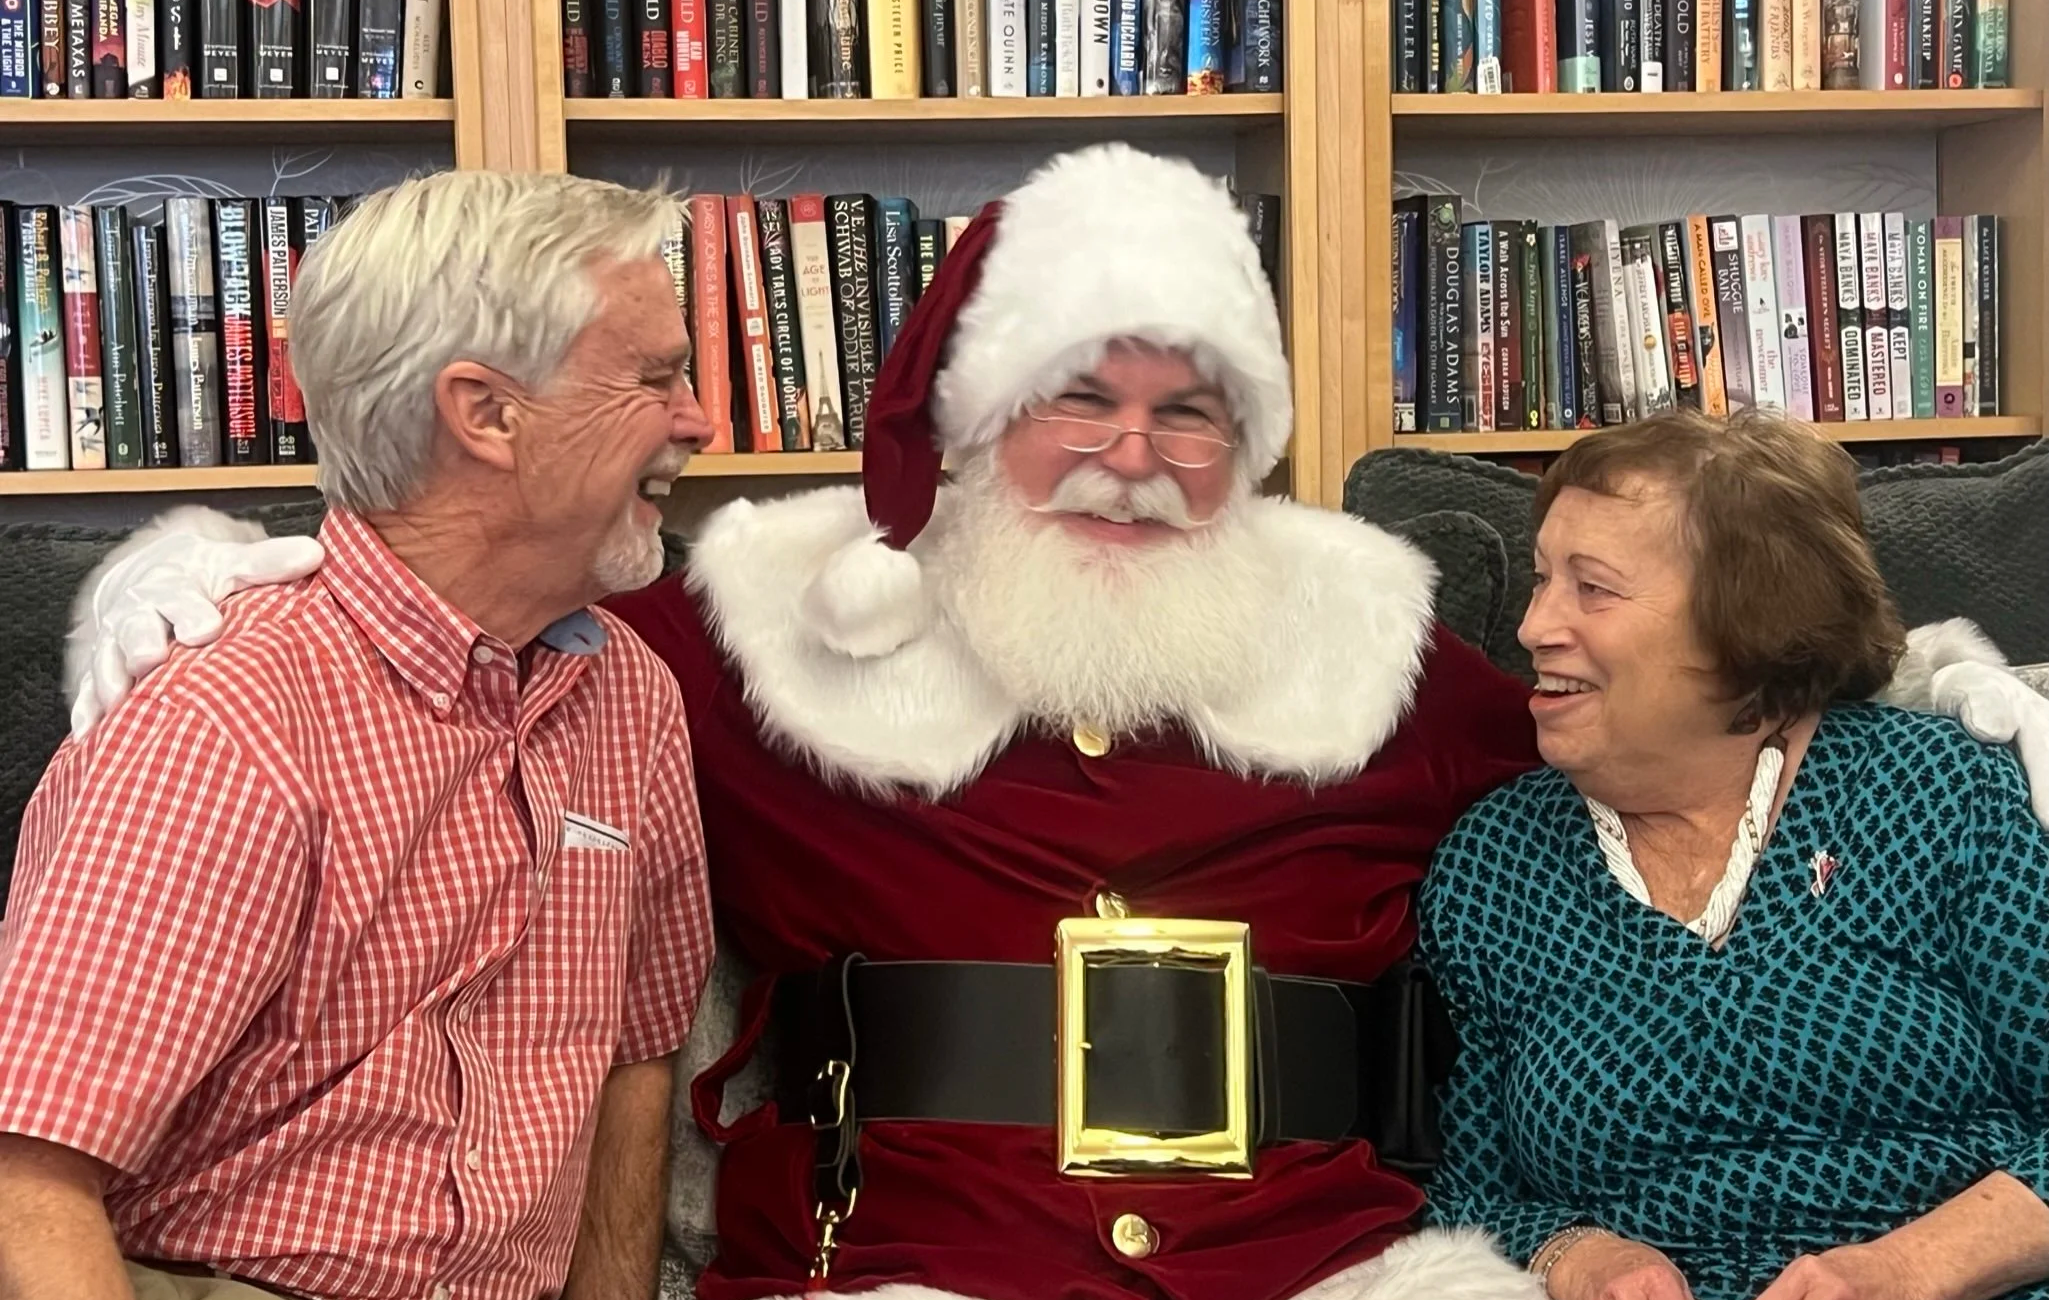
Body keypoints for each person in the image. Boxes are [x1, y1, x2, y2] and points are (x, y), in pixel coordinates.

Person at [62, 145, 2049, 1300]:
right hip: (907, 1257)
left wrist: (1958, 682)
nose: (1126, 455)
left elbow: (1710, 677)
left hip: (1311, 1262)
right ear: (967, 424)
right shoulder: (740, 643)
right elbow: (464, 578)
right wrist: (195, 571)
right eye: (1070, 402)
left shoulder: (1399, 667)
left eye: (1186, 408)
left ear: (1247, 441)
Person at [0, 171, 718, 1300]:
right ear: (486, 412)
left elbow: (636, 1054)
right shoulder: (226, 717)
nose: (700, 420)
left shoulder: (631, 696)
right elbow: (26, 1174)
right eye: (657, 376)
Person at [1417, 411, 2049, 1300]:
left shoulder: (1933, 791)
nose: (1532, 626)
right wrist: (1578, 1252)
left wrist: (1902, 1270)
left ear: (1744, 622)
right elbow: (1472, 1194)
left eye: (1591, 588)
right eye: (1540, 579)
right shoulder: (1494, 864)